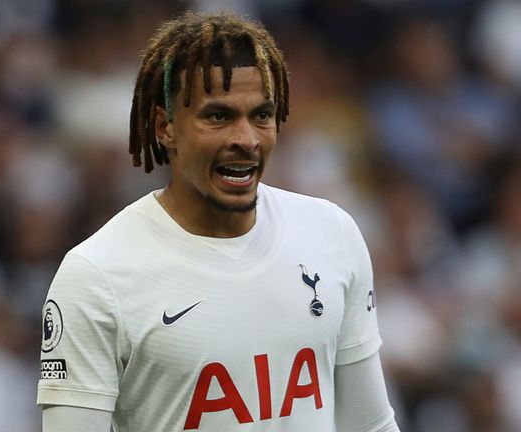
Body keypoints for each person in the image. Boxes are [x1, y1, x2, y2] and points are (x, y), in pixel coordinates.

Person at [37, 11, 399, 431]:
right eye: (218, 116)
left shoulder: (331, 233)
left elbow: (369, 424)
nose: (246, 140)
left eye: (261, 115)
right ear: (165, 127)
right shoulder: (96, 276)